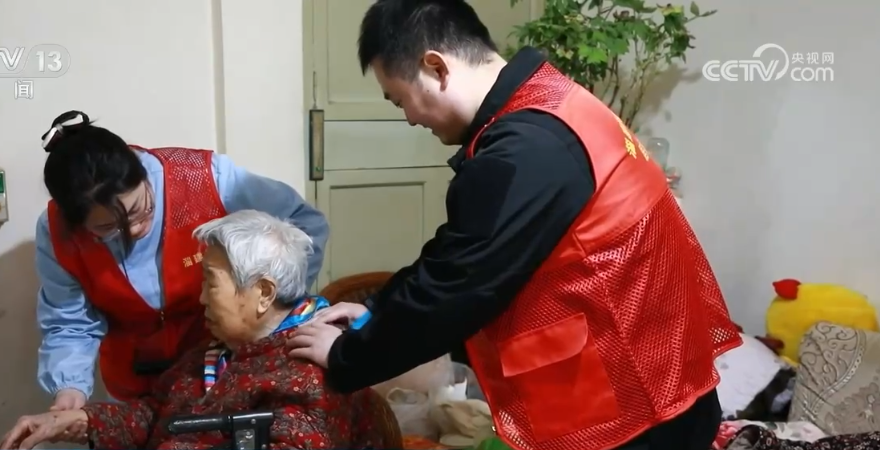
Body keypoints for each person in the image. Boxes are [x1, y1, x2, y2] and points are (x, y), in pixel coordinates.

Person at [286, 1, 742, 450]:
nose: (409, 118)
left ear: (436, 68)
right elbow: (460, 250)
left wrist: (345, 357)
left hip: (635, 410)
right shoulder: (556, 102)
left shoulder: (524, 149)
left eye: (401, 99)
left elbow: (455, 290)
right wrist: (378, 307)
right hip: (664, 377)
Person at [0, 210, 394, 450]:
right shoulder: (219, 350)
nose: (201, 298)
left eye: (210, 282)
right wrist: (76, 421)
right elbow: (155, 415)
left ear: (262, 293)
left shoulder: (310, 368)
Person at [35, 110, 329, 413]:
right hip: (133, 382)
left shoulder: (205, 178)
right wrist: (69, 390)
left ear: (142, 173)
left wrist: (273, 310)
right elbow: (69, 322)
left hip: (219, 371)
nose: (133, 230)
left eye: (139, 209)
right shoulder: (57, 232)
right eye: (109, 228)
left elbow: (304, 224)